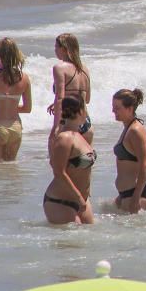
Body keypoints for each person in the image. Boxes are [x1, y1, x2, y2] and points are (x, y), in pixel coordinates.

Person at [43, 95, 96, 225]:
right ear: (80, 111)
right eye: (85, 108)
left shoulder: (80, 135)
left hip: (81, 200)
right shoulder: (64, 138)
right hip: (61, 201)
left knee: (87, 242)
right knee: (71, 243)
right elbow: (59, 172)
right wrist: (78, 197)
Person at [112, 88, 146, 213]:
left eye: (117, 107)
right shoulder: (127, 127)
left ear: (129, 109)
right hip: (126, 193)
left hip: (137, 193)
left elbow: (145, 165)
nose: (113, 110)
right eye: (113, 106)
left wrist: (136, 198)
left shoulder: (136, 131)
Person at [48, 33, 92, 144]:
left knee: (57, 160)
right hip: (86, 123)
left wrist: (56, 126)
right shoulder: (84, 69)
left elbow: (60, 98)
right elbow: (87, 99)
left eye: (56, 47)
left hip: (68, 123)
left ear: (63, 49)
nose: (55, 50)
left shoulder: (59, 68)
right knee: (84, 160)